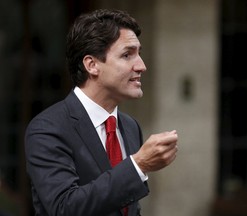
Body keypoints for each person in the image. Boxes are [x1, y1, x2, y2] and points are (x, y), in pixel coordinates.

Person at [25, 9, 178, 216]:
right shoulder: (47, 128)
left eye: (139, 53)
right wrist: (138, 165)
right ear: (92, 65)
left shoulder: (130, 126)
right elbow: (64, 208)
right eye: (127, 55)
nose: (141, 66)